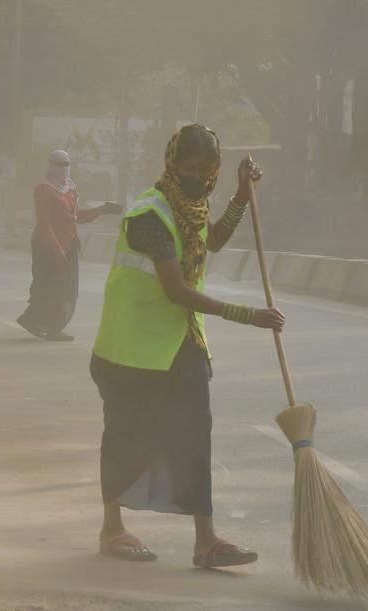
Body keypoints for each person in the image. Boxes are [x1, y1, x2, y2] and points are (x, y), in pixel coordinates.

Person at [91, 123, 285, 569]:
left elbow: (211, 239)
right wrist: (246, 315)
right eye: (187, 167)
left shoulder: (193, 208)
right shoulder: (150, 214)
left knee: (195, 435)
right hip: (129, 350)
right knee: (125, 436)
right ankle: (111, 529)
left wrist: (239, 195)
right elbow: (177, 291)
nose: (194, 176)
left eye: (204, 169)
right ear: (171, 163)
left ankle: (206, 541)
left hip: (181, 342)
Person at [17, 150, 122, 341]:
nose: (64, 168)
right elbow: (44, 223)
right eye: (60, 164)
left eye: (67, 164)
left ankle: (52, 326)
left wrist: (102, 210)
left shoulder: (70, 188)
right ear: (50, 165)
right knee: (48, 286)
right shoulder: (44, 189)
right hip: (46, 246)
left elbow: (76, 217)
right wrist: (57, 251)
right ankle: (36, 321)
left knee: (67, 289)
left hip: (69, 245)